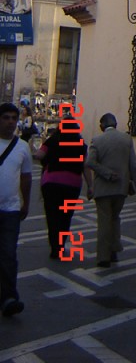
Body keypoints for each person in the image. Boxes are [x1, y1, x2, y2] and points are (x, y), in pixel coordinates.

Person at [84, 112, 136, 268]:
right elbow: (134, 164)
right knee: (115, 218)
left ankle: (103, 256)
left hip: (103, 188)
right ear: (115, 124)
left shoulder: (97, 140)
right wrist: (135, 184)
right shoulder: (126, 139)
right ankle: (114, 250)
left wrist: (106, 174)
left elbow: (90, 162)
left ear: (102, 125)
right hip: (121, 188)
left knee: (104, 222)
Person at [33, 113, 85, 259]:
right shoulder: (80, 143)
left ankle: (54, 247)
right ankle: (61, 245)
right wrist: (91, 186)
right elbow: (85, 166)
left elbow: (39, 156)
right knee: (65, 216)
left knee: (52, 215)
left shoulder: (52, 140)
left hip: (51, 182)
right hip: (72, 184)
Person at [0, 103, 32, 317]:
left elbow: (26, 176)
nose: (11, 121)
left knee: (8, 255)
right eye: (6, 117)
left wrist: (25, 203)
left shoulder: (22, 147)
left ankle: (9, 297)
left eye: (14, 118)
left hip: (10, 210)